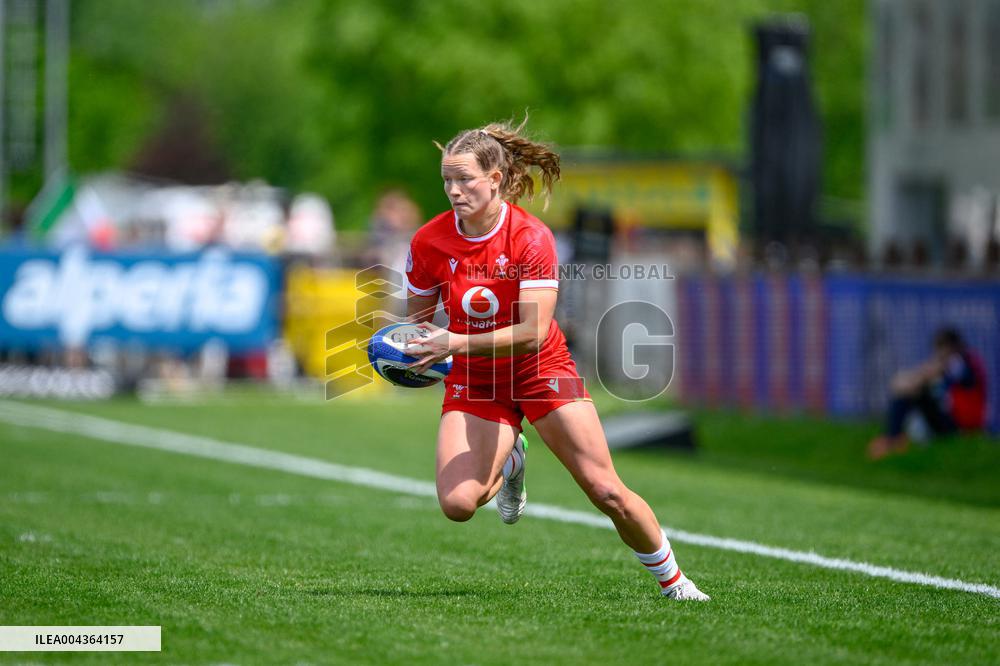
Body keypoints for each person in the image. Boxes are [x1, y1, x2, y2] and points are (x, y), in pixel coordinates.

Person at [402, 119, 709, 601]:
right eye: (447, 180)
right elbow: (417, 325)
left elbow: (532, 333)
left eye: (465, 180)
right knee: (459, 504)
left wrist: (452, 343)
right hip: (478, 377)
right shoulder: (428, 241)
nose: (454, 190)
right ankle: (511, 462)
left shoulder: (531, 237)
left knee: (605, 490)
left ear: (495, 179)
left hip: (539, 368)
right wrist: (406, 352)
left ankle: (676, 583)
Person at [867, 327, 987, 460]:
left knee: (916, 393)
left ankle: (893, 439)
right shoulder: (965, 361)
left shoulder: (956, 362)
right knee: (914, 392)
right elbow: (910, 379)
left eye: (940, 350)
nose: (938, 354)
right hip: (955, 421)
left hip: (961, 427)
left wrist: (907, 383)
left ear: (949, 348)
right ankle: (894, 437)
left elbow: (919, 380)